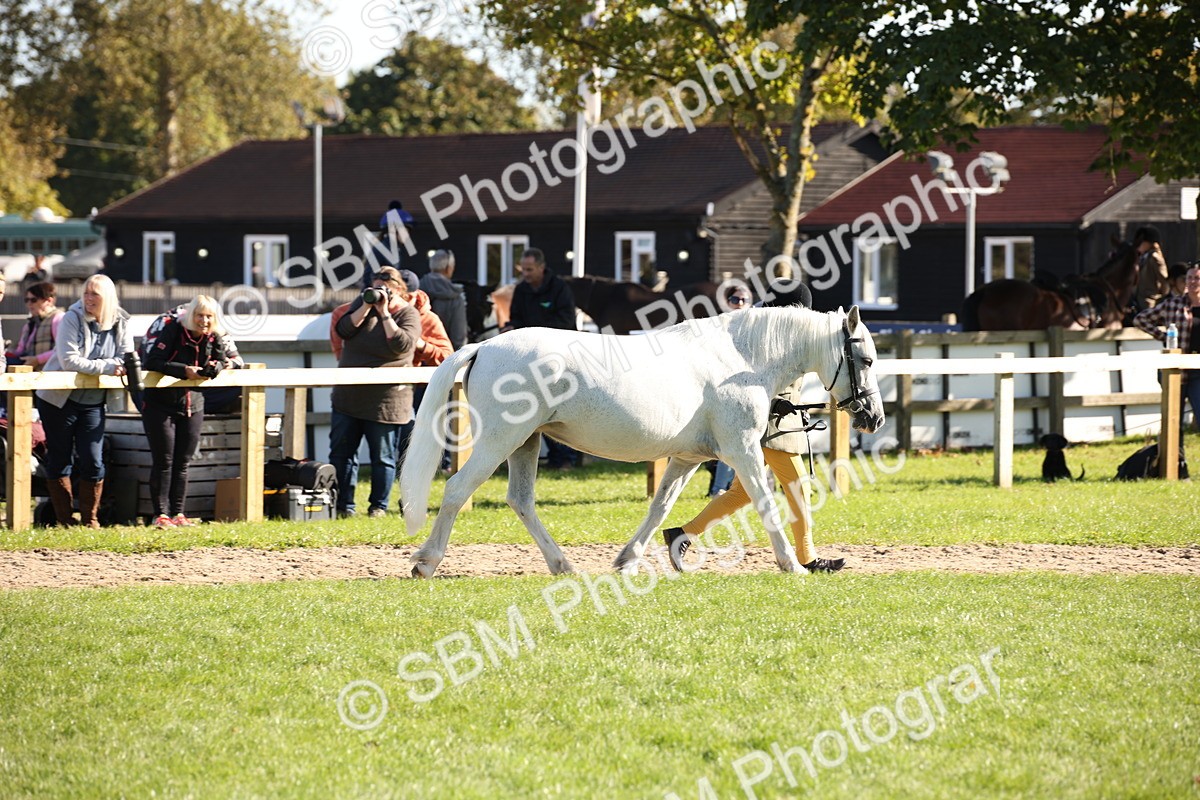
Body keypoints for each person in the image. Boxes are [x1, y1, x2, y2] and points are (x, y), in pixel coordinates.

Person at [661, 282, 846, 573]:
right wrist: (780, 403)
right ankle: (807, 557)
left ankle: (682, 535)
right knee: (797, 485)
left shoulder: (772, 330)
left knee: (743, 492)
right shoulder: (766, 334)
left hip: (778, 423)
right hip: (772, 426)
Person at [35, 274, 133, 528]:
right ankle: (65, 520)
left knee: (94, 458)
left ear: (107, 298)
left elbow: (127, 357)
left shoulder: (121, 321)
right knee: (60, 457)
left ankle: (90, 520)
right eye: (86, 293)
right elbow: (69, 360)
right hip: (59, 400)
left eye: (95, 294)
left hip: (93, 402)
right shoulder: (72, 317)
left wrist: (113, 366)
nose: (88, 299)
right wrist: (109, 367)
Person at [329, 267, 421, 518]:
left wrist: (384, 313)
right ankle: (343, 506)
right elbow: (343, 330)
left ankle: (378, 507)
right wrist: (367, 306)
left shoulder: (408, 313)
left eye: (385, 288)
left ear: (399, 289)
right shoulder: (361, 305)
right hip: (348, 396)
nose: (379, 292)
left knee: (383, 457)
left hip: (387, 401)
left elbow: (401, 347)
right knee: (342, 453)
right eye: (374, 286)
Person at [141, 295, 228, 528]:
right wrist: (184, 371)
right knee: (164, 461)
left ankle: (178, 513)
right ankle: (161, 515)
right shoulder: (172, 330)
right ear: (191, 316)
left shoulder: (215, 337)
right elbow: (152, 361)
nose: (204, 321)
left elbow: (222, 360)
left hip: (194, 404)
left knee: (183, 462)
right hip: (160, 404)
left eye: (209, 316)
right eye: (200, 315)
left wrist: (214, 368)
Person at [504, 247, 579, 469]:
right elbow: (515, 318)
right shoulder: (520, 290)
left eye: (529, 269)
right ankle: (554, 458)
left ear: (541, 268)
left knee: (561, 407)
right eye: (523, 269)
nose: (525, 274)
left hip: (561, 357)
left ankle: (566, 458)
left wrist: (536, 333)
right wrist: (511, 328)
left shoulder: (559, 288)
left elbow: (566, 320)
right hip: (530, 359)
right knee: (538, 406)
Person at [1134, 263, 1200, 432]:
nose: (1192, 282)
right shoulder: (1173, 304)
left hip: (1198, 369)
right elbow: (1140, 319)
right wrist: (1163, 337)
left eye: (1197, 278)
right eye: (1189, 278)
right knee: (1173, 420)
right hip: (1177, 367)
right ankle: (1176, 458)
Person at [707, 285, 753, 496]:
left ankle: (730, 489)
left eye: (744, 300)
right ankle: (718, 488)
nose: (740, 304)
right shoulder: (716, 327)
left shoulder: (754, 328)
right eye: (735, 299)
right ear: (727, 302)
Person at [8, 282, 64, 370]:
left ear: (49, 301)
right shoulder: (30, 324)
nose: (29, 304)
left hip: (50, 373)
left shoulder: (58, 319)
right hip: (30, 372)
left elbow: (63, 350)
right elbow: (20, 351)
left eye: (34, 300)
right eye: (27, 300)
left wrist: (38, 360)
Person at [421, 250, 469, 351]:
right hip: (444, 358)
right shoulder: (455, 298)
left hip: (418, 356)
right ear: (449, 268)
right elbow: (459, 339)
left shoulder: (417, 290)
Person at [1133, 225, 1170, 312]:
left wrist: (1160, 300)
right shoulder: (1142, 257)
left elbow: (1164, 281)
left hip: (1149, 303)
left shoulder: (1154, 257)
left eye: (1141, 243)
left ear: (1149, 243)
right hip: (1137, 300)